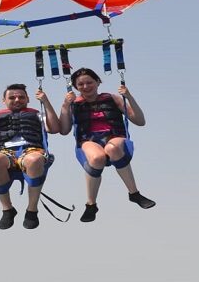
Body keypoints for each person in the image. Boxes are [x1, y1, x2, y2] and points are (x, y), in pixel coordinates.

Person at [59, 67, 155, 222]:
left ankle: (134, 194)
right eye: (80, 85)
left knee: (112, 148)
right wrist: (65, 106)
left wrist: (129, 97)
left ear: (97, 82)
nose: (85, 87)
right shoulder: (73, 104)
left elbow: (140, 121)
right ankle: (91, 204)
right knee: (97, 158)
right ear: (76, 87)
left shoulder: (112, 98)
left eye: (89, 82)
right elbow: (64, 130)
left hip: (114, 137)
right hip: (88, 140)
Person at [0, 83, 60, 229]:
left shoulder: (37, 115)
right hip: (5, 153)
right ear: (3, 100)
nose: (17, 100)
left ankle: (32, 209)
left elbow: (55, 128)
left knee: (34, 159)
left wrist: (45, 102)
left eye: (21, 97)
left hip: (32, 150)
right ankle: (7, 209)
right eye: (12, 97)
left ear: (28, 99)